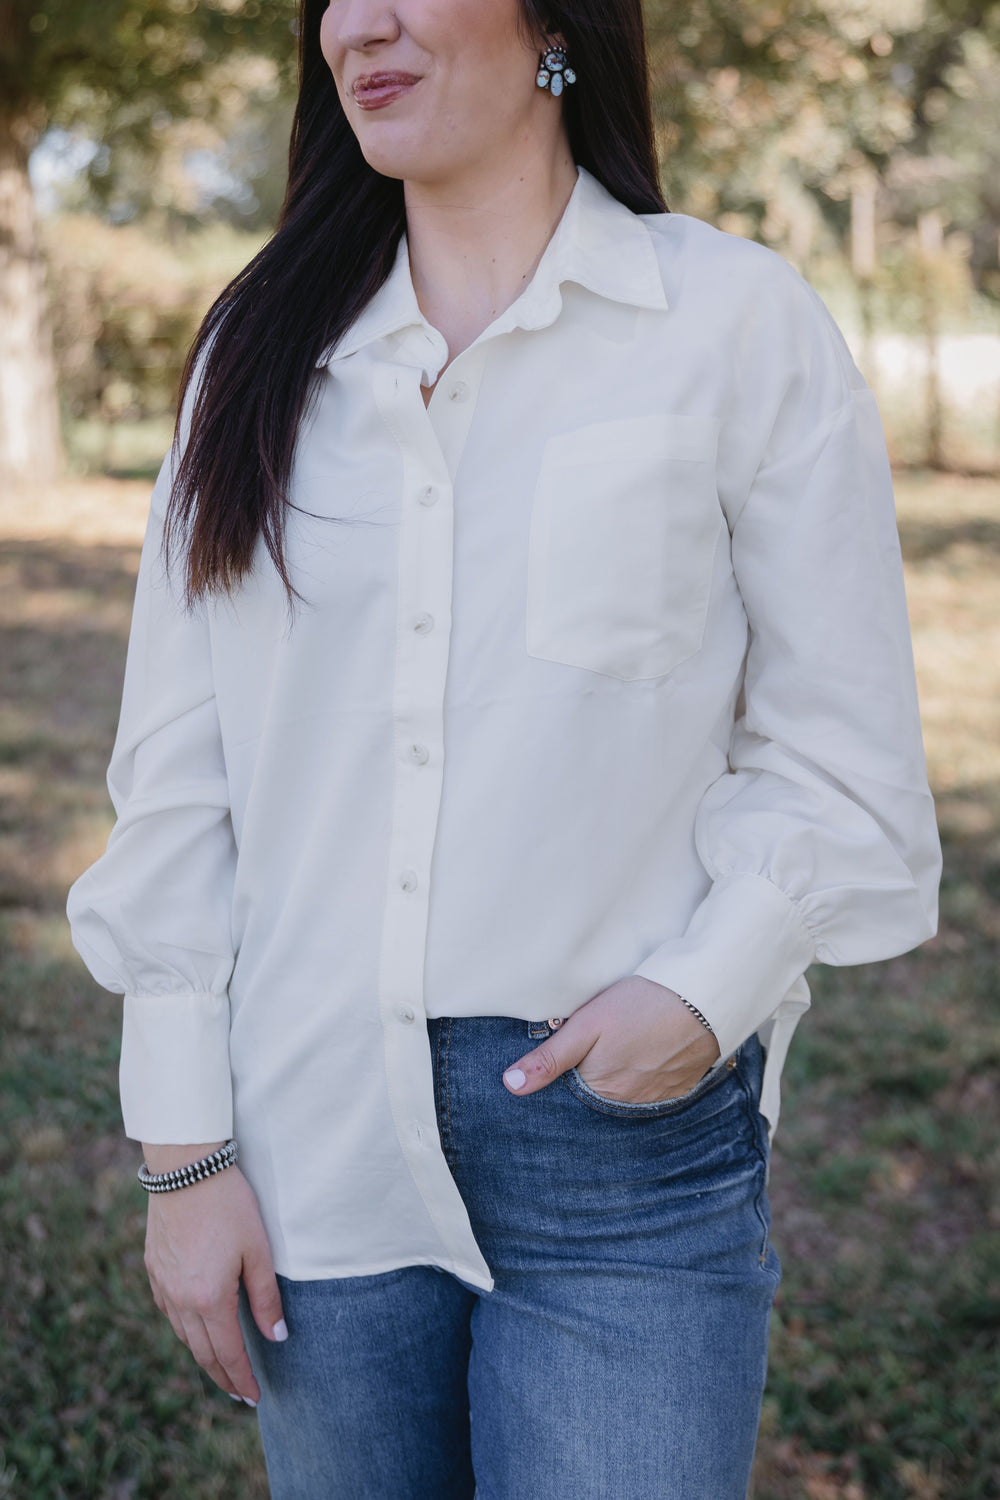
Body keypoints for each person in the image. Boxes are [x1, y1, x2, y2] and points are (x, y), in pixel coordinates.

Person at [66, 0, 942, 1496]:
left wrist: (703, 992)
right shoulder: (258, 354)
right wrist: (183, 1156)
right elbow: (180, 782)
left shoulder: (731, 324)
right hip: (313, 1132)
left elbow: (844, 765)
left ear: (556, 22)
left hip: (623, 1152)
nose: (362, 23)